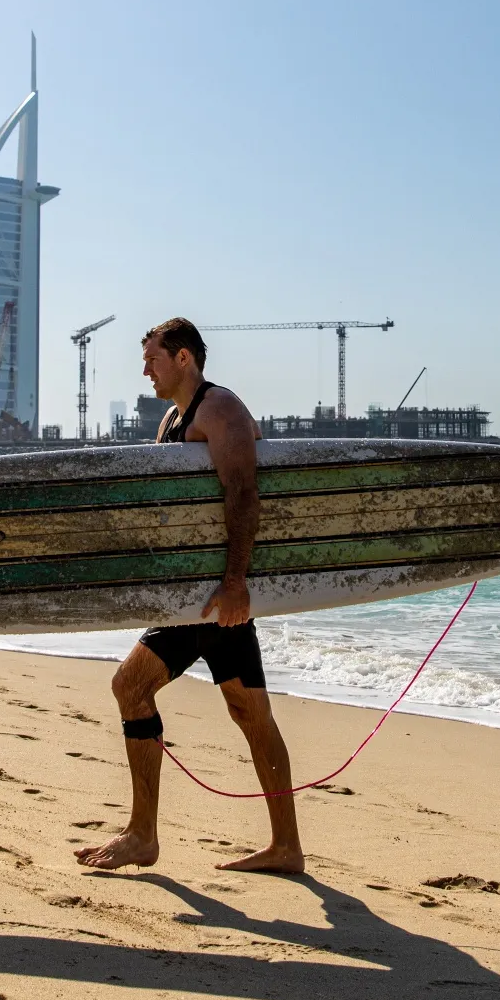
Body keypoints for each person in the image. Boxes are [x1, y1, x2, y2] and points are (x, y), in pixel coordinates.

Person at [74, 317, 303, 876]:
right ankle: (286, 847)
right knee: (251, 712)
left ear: (183, 358)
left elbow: (245, 495)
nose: (145, 369)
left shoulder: (218, 409)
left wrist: (234, 583)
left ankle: (142, 835)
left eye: (152, 357)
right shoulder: (175, 419)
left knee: (130, 687)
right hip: (195, 594)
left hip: (209, 596)